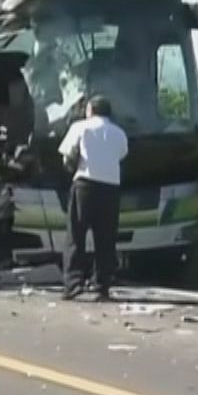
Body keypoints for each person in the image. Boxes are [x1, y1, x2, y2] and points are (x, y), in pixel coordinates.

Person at [58, 94, 129, 301]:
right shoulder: (119, 133)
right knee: (106, 238)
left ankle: (73, 283)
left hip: (85, 184)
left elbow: (67, 154)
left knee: (76, 234)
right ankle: (101, 286)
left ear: (90, 110)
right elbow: (122, 154)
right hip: (111, 187)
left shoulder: (81, 127)